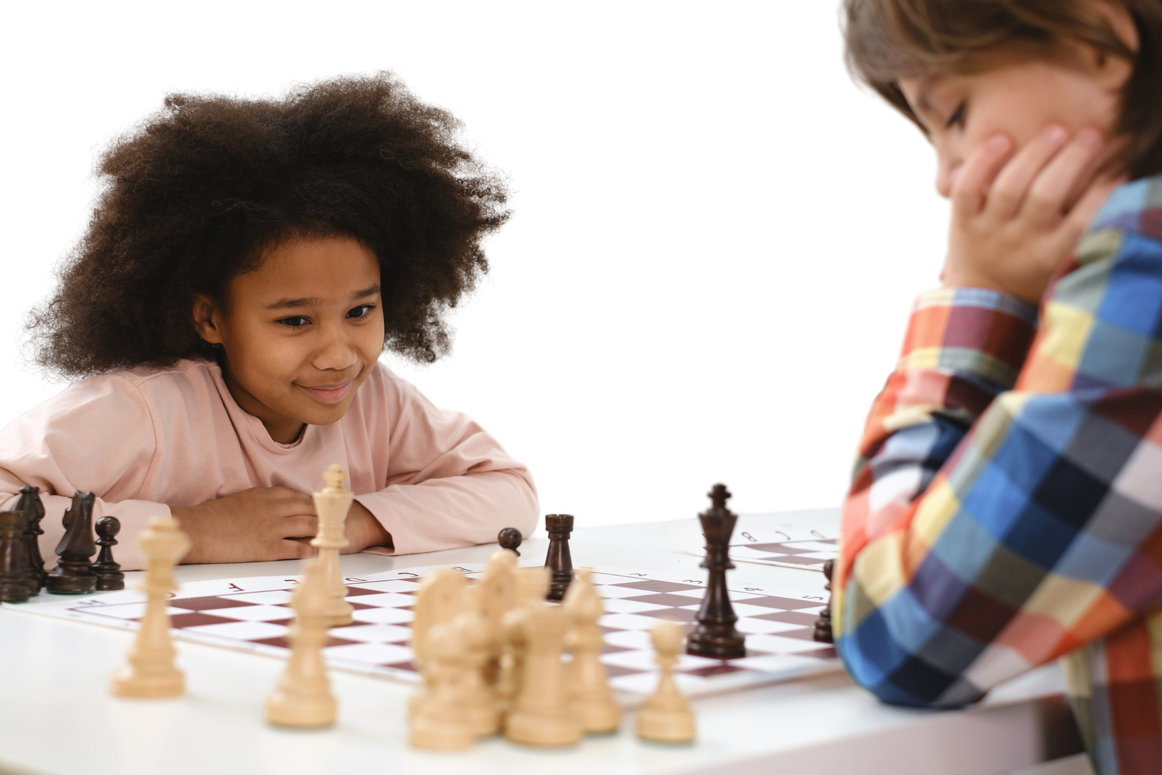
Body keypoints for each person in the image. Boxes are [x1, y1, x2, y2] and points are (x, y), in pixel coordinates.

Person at [3, 69, 540, 572]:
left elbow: (510, 492)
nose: (338, 355)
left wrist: (361, 519)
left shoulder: (380, 404)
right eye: (294, 321)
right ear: (211, 319)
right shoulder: (139, 411)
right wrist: (190, 532)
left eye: (359, 311)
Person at [832, 1, 1162, 772]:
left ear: (1101, 40)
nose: (946, 182)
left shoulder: (1144, 265)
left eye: (952, 113)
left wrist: (972, 291)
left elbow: (903, 631)